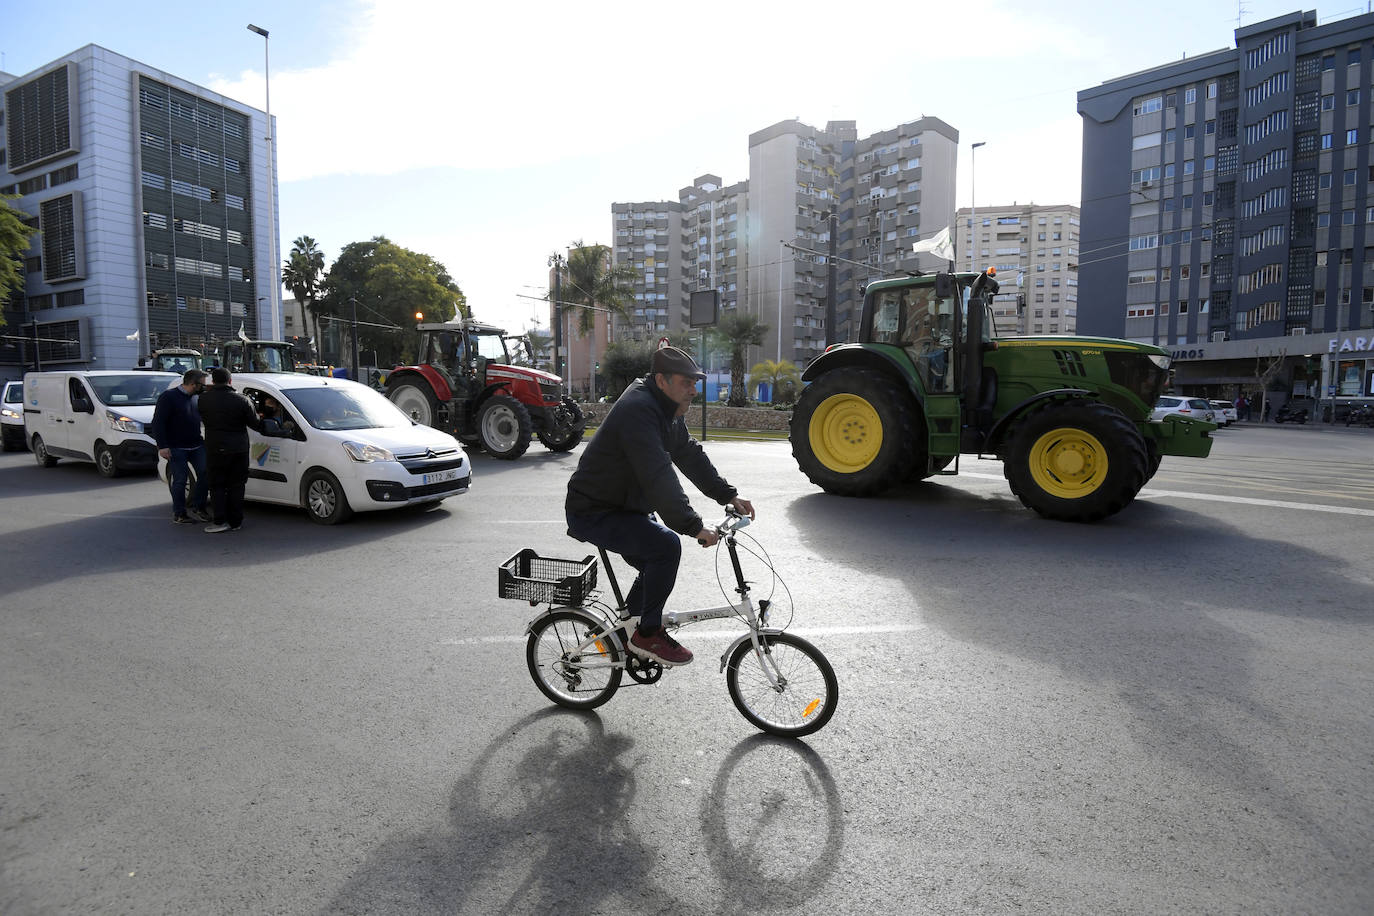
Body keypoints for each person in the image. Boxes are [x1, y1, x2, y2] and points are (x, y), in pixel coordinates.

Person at [566, 346, 754, 667]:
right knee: (665, 547)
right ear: (662, 381)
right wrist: (694, 526)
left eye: (695, 383)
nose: (694, 390)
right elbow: (658, 477)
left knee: (654, 564)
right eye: (686, 383)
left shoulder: (664, 407)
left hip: (625, 505)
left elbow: (688, 454)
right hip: (596, 510)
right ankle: (647, 634)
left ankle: (628, 634)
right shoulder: (640, 410)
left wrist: (728, 495)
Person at [197, 367, 278, 533]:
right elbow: (255, 424)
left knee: (217, 485)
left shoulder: (203, 399)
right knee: (237, 485)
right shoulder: (242, 400)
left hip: (215, 448)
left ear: (213, 381)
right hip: (238, 449)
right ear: (230, 381)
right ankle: (236, 522)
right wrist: (269, 412)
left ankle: (220, 521)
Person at [151, 369, 210, 524]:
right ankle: (179, 513)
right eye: (202, 384)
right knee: (180, 480)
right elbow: (158, 422)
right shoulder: (168, 397)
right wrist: (162, 446)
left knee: (205, 473)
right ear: (192, 383)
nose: (204, 387)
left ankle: (199, 507)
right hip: (176, 447)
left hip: (196, 444)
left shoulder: (196, 397)